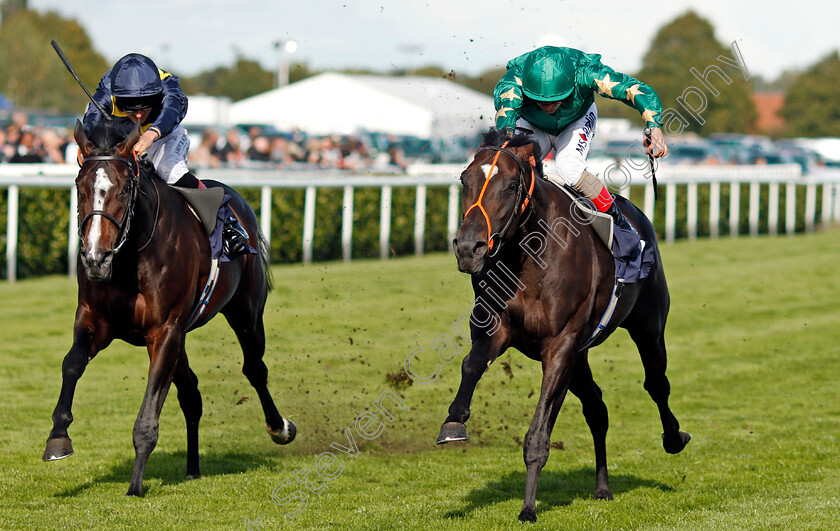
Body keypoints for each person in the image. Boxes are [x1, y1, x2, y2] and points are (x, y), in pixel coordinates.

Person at [83, 53, 248, 253]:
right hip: (125, 139)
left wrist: (151, 134)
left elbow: (173, 108)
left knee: (170, 170)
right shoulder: (109, 86)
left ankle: (227, 221)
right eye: (130, 107)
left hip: (165, 135)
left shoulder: (166, 83)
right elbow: (91, 118)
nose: (137, 115)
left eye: (144, 106)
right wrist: (92, 137)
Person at [493, 46, 669, 230]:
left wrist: (654, 125)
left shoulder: (587, 73)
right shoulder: (514, 80)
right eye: (541, 101)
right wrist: (508, 137)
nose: (547, 108)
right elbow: (507, 115)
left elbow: (634, 89)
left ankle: (619, 224)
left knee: (569, 168)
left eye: (555, 101)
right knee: (512, 164)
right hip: (531, 123)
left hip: (576, 120)